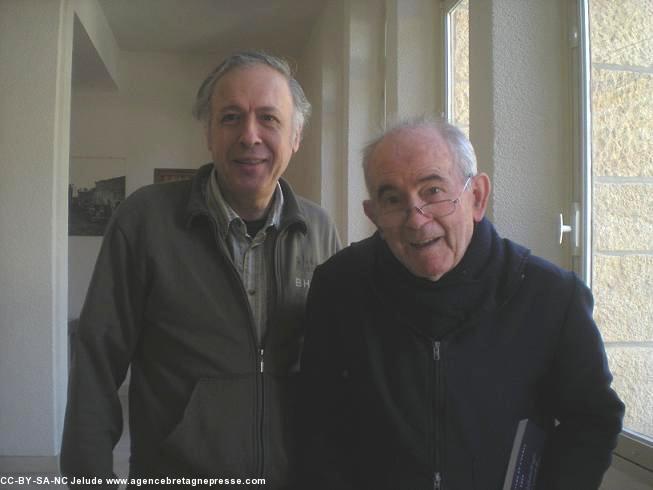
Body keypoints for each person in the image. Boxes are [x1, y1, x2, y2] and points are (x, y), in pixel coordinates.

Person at [61, 51, 340, 488]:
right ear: (209, 132)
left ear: (296, 136)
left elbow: (333, 364)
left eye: (269, 118)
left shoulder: (319, 229)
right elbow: (97, 364)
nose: (250, 135)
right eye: (230, 117)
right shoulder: (144, 221)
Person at [299, 117, 624, 489]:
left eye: (433, 191)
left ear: (477, 197)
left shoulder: (550, 296)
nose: (417, 220)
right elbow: (317, 421)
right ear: (373, 215)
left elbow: (593, 418)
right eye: (393, 199)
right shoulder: (340, 288)